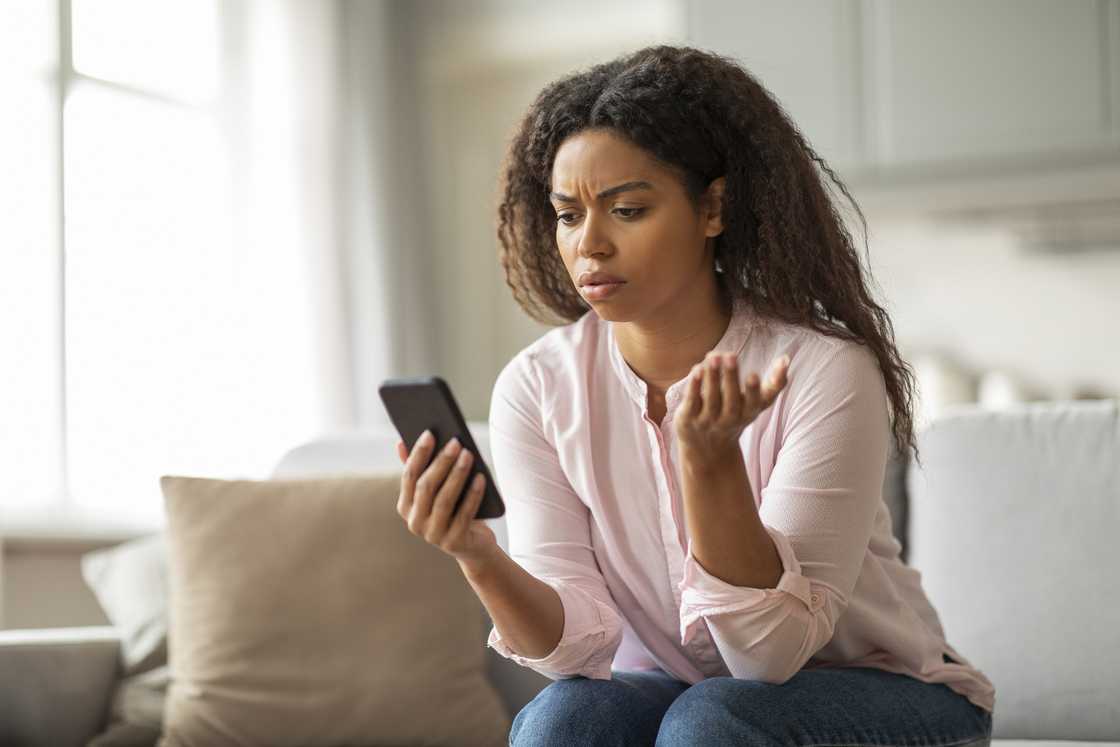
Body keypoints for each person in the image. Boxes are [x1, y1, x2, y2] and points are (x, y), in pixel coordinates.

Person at [395, 45, 995, 747]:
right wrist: (476, 553)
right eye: (567, 215)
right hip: (691, 692)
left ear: (711, 207)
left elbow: (767, 657)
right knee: (568, 716)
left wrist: (711, 470)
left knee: (713, 718)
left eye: (627, 209)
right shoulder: (537, 386)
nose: (590, 244)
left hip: (890, 691)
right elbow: (576, 653)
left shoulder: (824, 369)